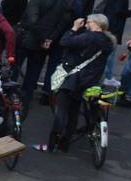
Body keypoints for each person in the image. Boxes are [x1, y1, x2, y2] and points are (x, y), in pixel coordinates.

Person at [36, 13, 114, 153]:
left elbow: (65, 42)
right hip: (90, 81)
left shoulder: (89, 37)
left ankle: (52, 145)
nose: (87, 24)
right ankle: (64, 144)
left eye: (89, 22)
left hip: (73, 79)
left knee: (62, 112)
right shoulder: (108, 41)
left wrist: (73, 28)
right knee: (74, 113)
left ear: (96, 24)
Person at [18, 0, 65, 118]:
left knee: (16, 66)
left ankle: (12, 96)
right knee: (34, 71)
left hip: (29, 40)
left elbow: (32, 20)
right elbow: (61, 24)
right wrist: (49, 39)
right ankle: (26, 97)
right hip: (44, 44)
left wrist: (41, 38)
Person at [96, 0, 131, 81]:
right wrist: (130, 12)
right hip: (115, 26)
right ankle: (107, 77)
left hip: (107, 22)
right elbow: (119, 11)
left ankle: (106, 75)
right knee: (111, 53)